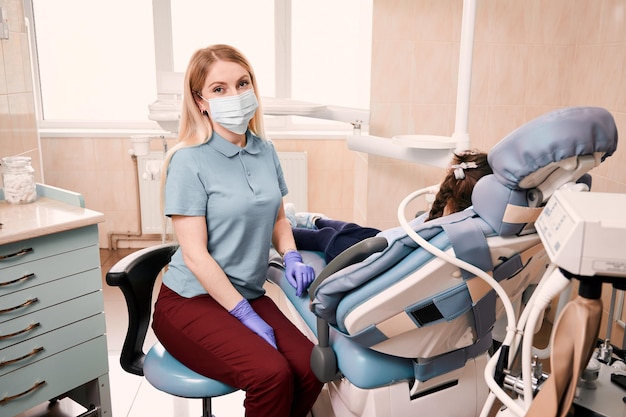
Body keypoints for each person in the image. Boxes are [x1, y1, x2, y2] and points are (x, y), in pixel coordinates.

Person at [151, 44, 323, 417]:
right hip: (189, 302)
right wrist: (244, 315)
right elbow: (195, 257)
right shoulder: (188, 161)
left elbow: (278, 219)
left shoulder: (266, 151)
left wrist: (290, 254)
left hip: (247, 292)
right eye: (219, 89)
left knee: (312, 369)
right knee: (270, 375)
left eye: (242, 83)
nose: (236, 95)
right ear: (200, 102)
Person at [288, 150, 492, 264]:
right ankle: (311, 220)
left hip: (373, 256)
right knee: (350, 228)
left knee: (326, 236)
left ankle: (279, 230)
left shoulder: (444, 225)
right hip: (384, 240)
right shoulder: (466, 217)